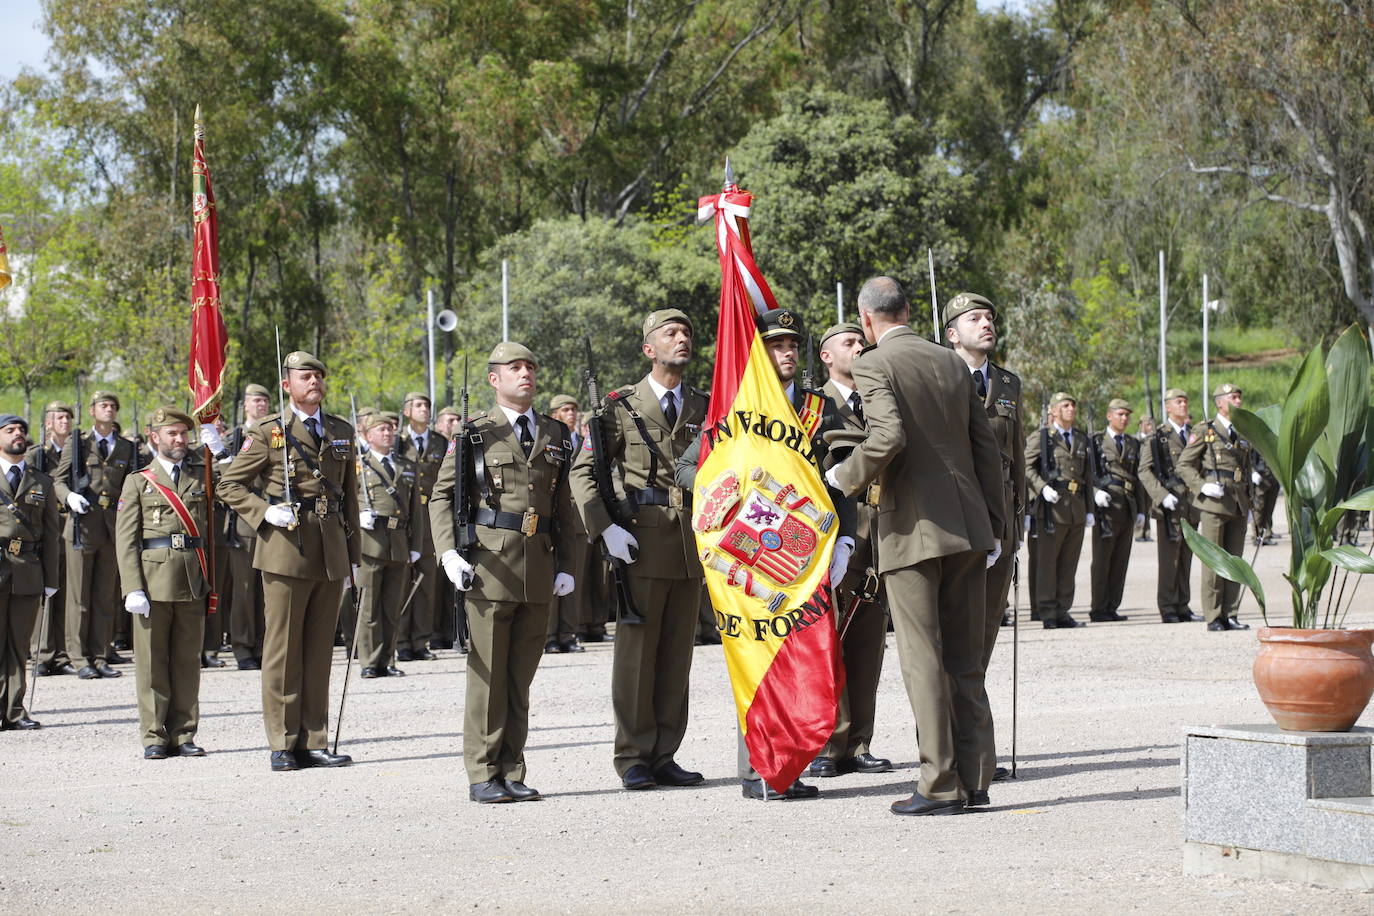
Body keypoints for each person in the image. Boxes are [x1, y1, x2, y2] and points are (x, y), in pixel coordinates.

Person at [825, 276, 1003, 816]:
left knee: (923, 659)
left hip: (913, 530)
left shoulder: (874, 363)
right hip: (968, 527)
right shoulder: (951, 362)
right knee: (965, 661)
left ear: (866, 317)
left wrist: (841, 478)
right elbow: (986, 451)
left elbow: (888, 437)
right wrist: (992, 524)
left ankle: (939, 784)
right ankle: (975, 779)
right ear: (907, 310)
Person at [429, 341, 577, 803]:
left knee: (519, 676)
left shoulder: (555, 433)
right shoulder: (476, 432)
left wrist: (567, 563)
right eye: (515, 368)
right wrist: (448, 554)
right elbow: (442, 497)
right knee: (488, 675)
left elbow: (564, 506)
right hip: (489, 565)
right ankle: (482, 771)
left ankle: (512, 767)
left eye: (531, 366)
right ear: (495, 378)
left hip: (538, 564)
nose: (526, 374)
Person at [569, 309, 709, 792]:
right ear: (649, 349)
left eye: (687, 332)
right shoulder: (618, 407)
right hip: (640, 540)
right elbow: (584, 472)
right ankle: (632, 755)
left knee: (676, 656)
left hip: (690, 541)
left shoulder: (706, 406)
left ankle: (664, 752)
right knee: (636, 656)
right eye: (671, 333)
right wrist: (603, 527)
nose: (682, 339)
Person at [215, 351, 361, 772]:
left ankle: (314, 739)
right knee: (282, 648)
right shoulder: (268, 432)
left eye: (318, 374)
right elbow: (229, 483)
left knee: (318, 650)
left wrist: (354, 558)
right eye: (304, 375)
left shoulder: (339, 430)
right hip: (286, 547)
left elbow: (348, 497)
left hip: (330, 547)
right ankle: (282, 740)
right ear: (286, 385)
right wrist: (264, 511)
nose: (314, 380)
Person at [943, 292, 1024, 785]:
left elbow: (1014, 458)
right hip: (955, 518)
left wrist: (1020, 520)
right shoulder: (937, 375)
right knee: (950, 640)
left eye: (990, 317)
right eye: (974, 318)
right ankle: (950, 755)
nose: (986, 323)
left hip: (1001, 526)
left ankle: (975, 751)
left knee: (985, 638)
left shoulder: (1008, 383)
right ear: (952, 333)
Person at [809, 320, 892, 781]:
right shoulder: (815, 408)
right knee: (830, 644)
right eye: (849, 342)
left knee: (868, 644)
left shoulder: (880, 399)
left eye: (862, 341)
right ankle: (828, 743)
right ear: (826, 356)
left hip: (882, 535)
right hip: (837, 535)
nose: (859, 347)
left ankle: (860, 741)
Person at [114, 407, 212, 758]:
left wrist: (222, 450)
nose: (180, 440)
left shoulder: (201, 475)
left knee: (187, 661)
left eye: (184, 434)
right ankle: (155, 735)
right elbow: (125, 539)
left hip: (191, 579)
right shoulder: (139, 480)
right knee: (152, 663)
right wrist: (132, 587)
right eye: (172, 434)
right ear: (154, 437)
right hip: (153, 582)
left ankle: (184, 733)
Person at [54, 391, 134, 679]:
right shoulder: (78, 443)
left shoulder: (125, 446)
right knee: (78, 597)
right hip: (82, 526)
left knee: (104, 596)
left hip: (112, 527)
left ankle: (100, 654)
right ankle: (78, 656)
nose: (109, 410)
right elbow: (58, 480)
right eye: (104, 405)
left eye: (113, 406)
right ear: (92, 411)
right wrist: (69, 497)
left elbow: (131, 484)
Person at [1178, 382, 1255, 631]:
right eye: (1233, 397)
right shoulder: (1205, 430)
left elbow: (1247, 468)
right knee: (1213, 561)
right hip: (1214, 502)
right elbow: (1184, 464)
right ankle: (1213, 615)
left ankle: (1230, 613)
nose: (1238, 402)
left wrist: (1251, 503)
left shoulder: (1243, 431)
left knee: (1234, 560)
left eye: (1240, 397)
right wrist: (1201, 486)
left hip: (1238, 502)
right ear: (1220, 403)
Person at [0, 414, 60, 730]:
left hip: (27, 570)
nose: (18, 434)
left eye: (21, 430)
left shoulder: (42, 481)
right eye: (10, 430)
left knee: (20, 645)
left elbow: (52, 534)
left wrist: (51, 580)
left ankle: (14, 710)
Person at [355, 411, 423, 678]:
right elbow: (348, 500)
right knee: (370, 607)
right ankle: (369, 661)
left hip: (398, 543)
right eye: (381, 430)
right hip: (370, 542)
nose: (387, 434)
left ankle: (388, 659)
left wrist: (415, 543)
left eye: (389, 430)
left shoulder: (406, 466)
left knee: (392, 607)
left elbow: (416, 509)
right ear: (368, 435)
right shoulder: (359, 466)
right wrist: (360, 514)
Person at [1024, 393, 1092, 629]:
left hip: (1076, 507)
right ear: (1053, 411)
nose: (1071, 409)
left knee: (1068, 563)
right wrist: (1041, 488)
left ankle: (1063, 610)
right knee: (1047, 563)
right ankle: (1047, 611)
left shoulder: (1081, 439)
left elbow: (1088, 477)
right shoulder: (1043, 438)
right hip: (1052, 509)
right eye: (1065, 405)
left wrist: (1090, 509)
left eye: (1073, 405)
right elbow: (1025, 465)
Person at [1138, 389, 1202, 623]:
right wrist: (1161, 495)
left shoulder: (1194, 434)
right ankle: (1167, 606)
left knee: (1187, 557)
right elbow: (1144, 470)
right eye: (1178, 402)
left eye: (1185, 401)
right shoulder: (1158, 437)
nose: (1183, 405)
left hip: (1190, 504)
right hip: (1170, 505)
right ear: (1168, 407)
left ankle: (1183, 605)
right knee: (1170, 560)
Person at [225, 384, 272, 670]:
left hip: (272, 519)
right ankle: (242, 647)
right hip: (244, 521)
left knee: (267, 588)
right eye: (256, 401)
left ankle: (263, 645)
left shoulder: (275, 435)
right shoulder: (234, 439)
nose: (262, 406)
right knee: (244, 589)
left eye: (265, 401)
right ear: (245, 405)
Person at [28, 402, 74, 676]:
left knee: (66, 590)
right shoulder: (37, 455)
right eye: (59, 417)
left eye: (68, 417)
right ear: (47, 423)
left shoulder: (77, 452)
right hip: (45, 525)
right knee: (44, 592)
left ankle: (62, 653)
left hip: (69, 525)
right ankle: (41, 653)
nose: (65, 421)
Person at [1088, 399, 1144, 622]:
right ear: (1109, 416)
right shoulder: (1097, 442)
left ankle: (1112, 606)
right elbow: (1088, 472)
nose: (1124, 418)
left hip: (1127, 506)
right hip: (1107, 507)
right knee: (1102, 560)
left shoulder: (1132, 443)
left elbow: (1138, 477)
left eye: (1127, 415)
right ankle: (1098, 607)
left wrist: (1141, 510)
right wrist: (1094, 493)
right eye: (1120, 414)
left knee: (1120, 560)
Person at [545, 394, 587, 654]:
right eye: (565, 410)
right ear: (554, 414)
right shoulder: (549, 440)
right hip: (553, 518)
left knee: (573, 577)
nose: (571, 414)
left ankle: (568, 633)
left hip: (578, 519)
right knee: (550, 576)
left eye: (573, 409)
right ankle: (549, 634)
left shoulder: (583, 443)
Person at [430, 405, 462, 651]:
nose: (455, 423)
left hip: (457, 517)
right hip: (434, 518)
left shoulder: (452, 444)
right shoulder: (436, 444)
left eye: (458, 419)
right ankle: (431, 633)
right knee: (433, 585)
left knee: (455, 584)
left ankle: (453, 632)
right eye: (450, 419)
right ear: (439, 423)